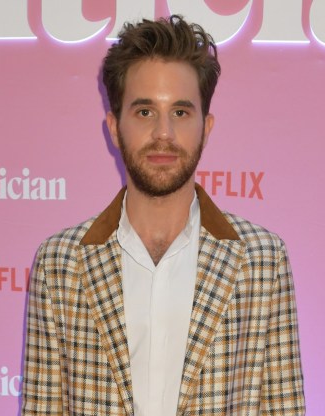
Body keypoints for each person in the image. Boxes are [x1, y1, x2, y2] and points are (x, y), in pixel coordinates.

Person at [23, 15, 305, 415]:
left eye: (180, 113)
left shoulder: (262, 259)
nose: (164, 134)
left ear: (206, 128)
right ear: (114, 128)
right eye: (144, 112)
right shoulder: (60, 263)